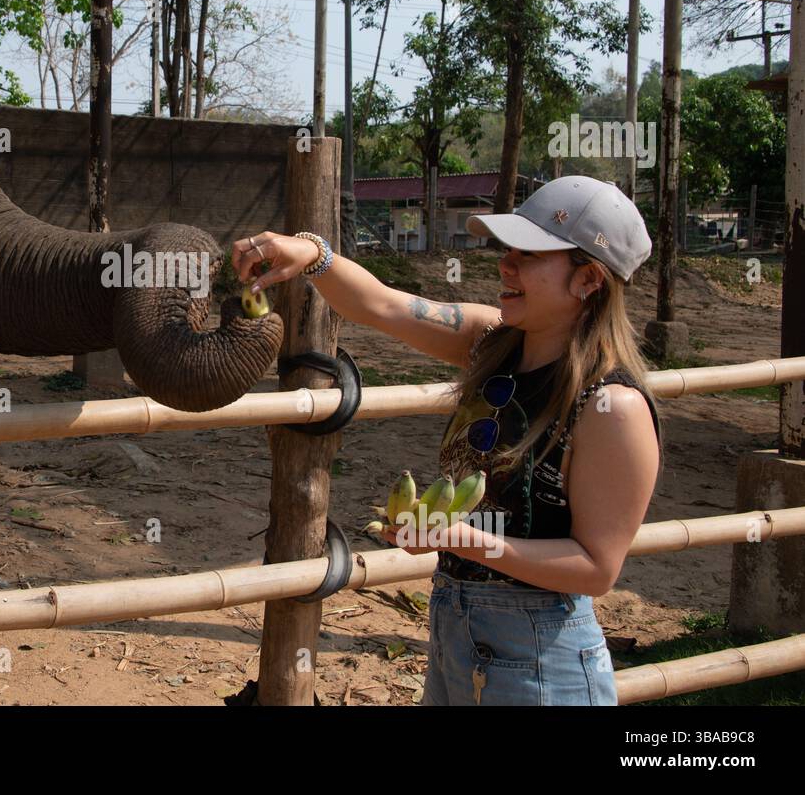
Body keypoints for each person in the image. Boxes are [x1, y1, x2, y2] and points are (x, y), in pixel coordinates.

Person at [232, 175, 661, 706]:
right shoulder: (492, 344)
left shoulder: (611, 407)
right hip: (455, 634)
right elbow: (383, 306)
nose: (505, 264)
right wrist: (311, 254)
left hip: (538, 660)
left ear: (589, 279)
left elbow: (596, 568)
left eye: (529, 254)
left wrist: (457, 537)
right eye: (508, 249)